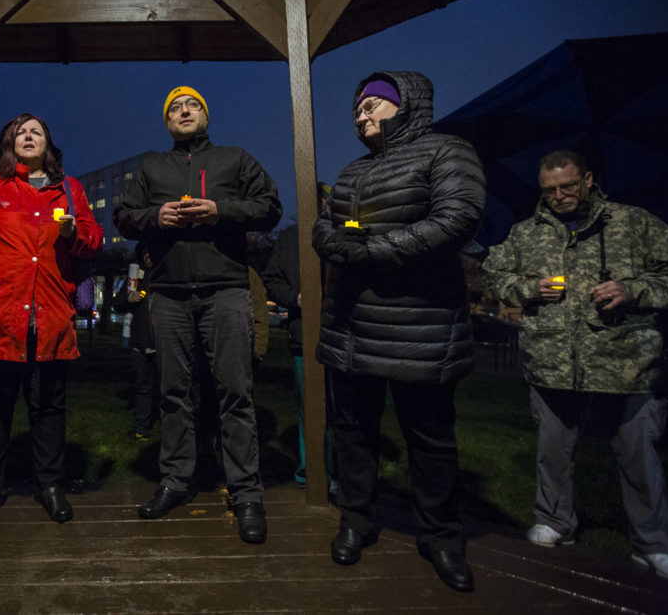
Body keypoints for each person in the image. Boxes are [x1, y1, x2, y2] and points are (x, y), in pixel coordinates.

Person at [312, 73, 484, 591]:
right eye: (357, 111)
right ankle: (356, 521)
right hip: (354, 327)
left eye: (371, 106)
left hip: (422, 326)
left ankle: (440, 538)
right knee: (354, 433)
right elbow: (326, 222)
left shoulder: (446, 152)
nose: (361, 117)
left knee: (429, 439)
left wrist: (377, 250)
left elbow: (459, 216)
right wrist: (335, 243)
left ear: (404, 104)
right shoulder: (352, 171)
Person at [483, 150, 668, 580]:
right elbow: (496, 274)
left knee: (638, 454)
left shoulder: (631, 222)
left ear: (588, 179)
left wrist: (632, 290)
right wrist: (530, 288)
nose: (559, 195)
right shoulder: (525, 232)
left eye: (567, 185)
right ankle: (554, 521)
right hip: (551, 363)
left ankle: (653, 543)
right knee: (553, 450)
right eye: (549, 190)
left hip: (624, 362)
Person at [113, 86, 282, 544]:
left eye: (192, 106)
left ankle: (246, 492)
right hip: (167, 294)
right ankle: (175, 481)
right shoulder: (152, 168)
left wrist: (219, 211)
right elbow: (123, 218)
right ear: (166, 123)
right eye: (174, 109)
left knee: (235, 393)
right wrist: (155, 217)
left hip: (225, 290)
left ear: (206, 114)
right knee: (173, 394)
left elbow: (270, 207)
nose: (183, 112)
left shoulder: (235, 159)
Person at [0, 113, 102, 532]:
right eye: (20, 132)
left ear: (49, 145)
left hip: (50, 313)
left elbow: (92, 240)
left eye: (37, 132)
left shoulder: (71, 189)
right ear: (8, 144)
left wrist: (73, 233)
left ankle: (50, 486)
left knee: (48, 406)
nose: (28, 136)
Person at [262, 181, 335, 491]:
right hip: (304, 337)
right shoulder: (289, 240)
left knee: (342, 408)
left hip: (344, 336)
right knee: (310, 407)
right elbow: (272, 280)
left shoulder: (342, 235)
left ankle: (341, 470)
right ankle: (313, 470)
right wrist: (297, 298)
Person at [113, 241, 159, 441]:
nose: (148, 257)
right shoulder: (135, 276)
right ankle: (141, 428)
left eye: (152, 253)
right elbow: (117, 304)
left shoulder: (164, 275)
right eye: (145, 254)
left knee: (170, 387)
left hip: (162, 343)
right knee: (143, 386)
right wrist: (128, 299)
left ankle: (175, 430)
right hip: (139, 343)